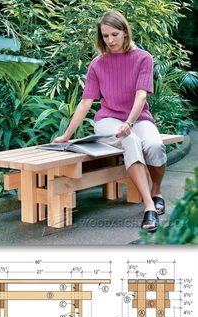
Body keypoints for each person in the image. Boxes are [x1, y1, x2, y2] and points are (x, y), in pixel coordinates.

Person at [53, 10, 167, 232]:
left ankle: (157, 190)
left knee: (154, 146)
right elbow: (86, 102)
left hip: (138, 117)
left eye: (114, 34)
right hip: (108, 120)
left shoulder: (144, 58)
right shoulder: (97, 64)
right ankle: (149, 206)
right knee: (131, 141)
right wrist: (66, 136)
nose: (110, 40)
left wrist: (130, 122)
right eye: (105, 36)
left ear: (125, 32)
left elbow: (141, 95)